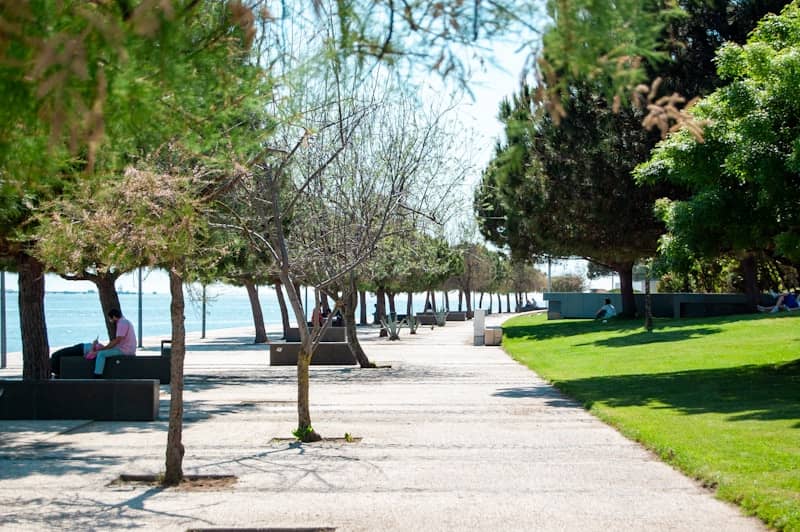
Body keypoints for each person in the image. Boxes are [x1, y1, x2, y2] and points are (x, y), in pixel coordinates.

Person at [92, 308, 137, 377]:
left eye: (110, 318)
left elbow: (118, 340)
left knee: (101, 354)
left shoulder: (122, 323)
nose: (110, 320)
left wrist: (105, 348)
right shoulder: (124, 321)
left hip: (125, 350)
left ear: (114, 317)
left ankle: (97, 375)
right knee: (104, 350)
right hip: (127, 348)